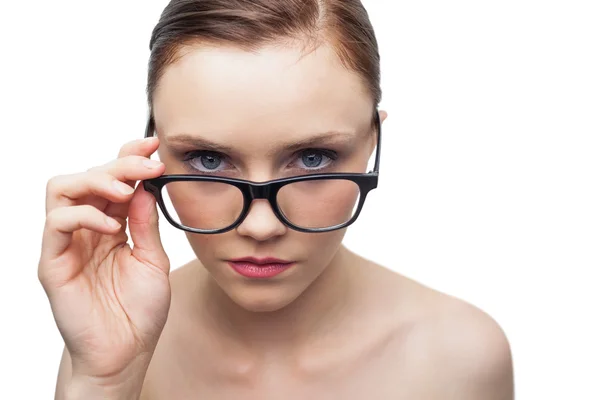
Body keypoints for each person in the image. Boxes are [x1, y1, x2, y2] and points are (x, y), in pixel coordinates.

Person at [38, 1, 514, 398]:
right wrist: (104, 381)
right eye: (207, 159)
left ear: (371, 143)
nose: (261, 227)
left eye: (312, 158)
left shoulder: (459, 356)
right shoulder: (111, 335)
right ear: (152, 152)